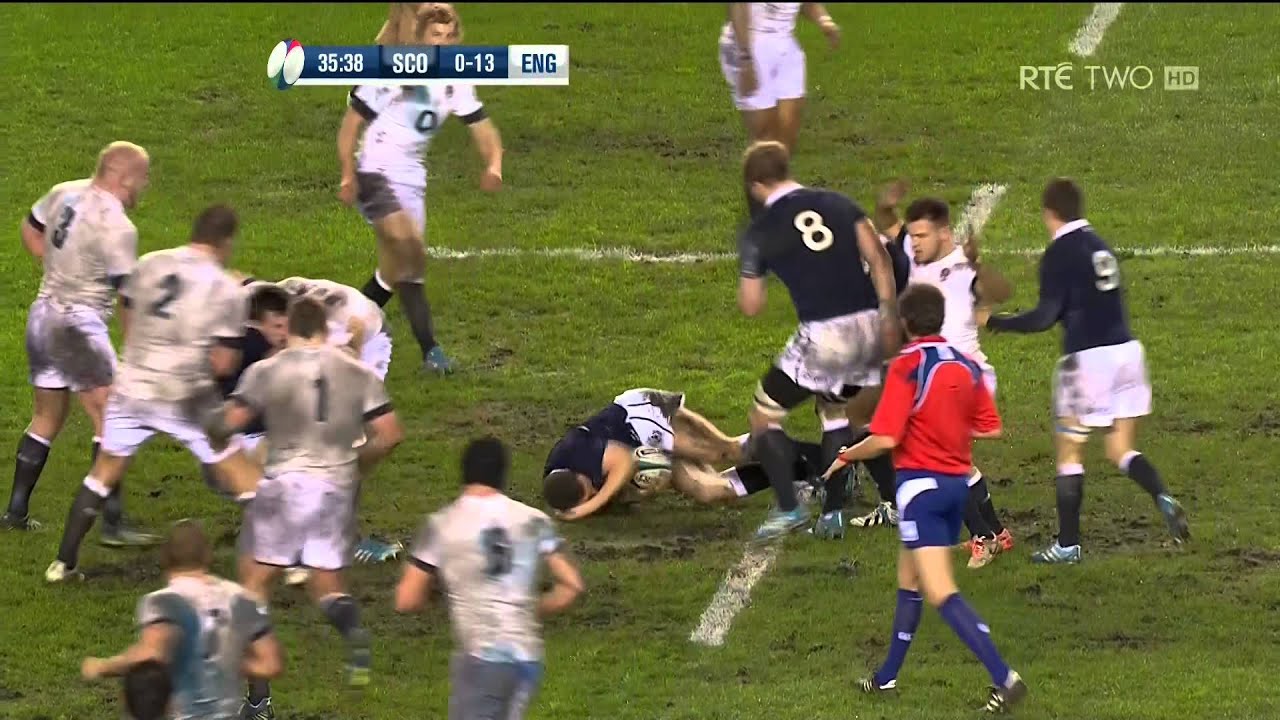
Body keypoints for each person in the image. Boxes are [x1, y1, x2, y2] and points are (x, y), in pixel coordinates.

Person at [824, 283, 1027, 713]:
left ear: (905, 323)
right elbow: (991, 426)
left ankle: (1005, 678)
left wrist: (846, 455)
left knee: (940, 591)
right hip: (956, 489)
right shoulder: (966, 365)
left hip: (922, 491)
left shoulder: (908, 365)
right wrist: (947, 425)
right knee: (910, 580)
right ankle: (887, 678)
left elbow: (885, 438)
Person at [204, 297, 404, 716]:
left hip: (284, 487)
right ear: (324, 330)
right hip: (334, 491)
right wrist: (357, 465)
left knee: (254, 588)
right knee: (326, 586)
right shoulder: (356, 371)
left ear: (291, 328)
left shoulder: (267, 370)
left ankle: (259, 701)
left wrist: (213, 430)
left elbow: (227, 425)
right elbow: (390, 435)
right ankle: (352, 632)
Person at [985, 178, 1189, 564]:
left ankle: (1068, 545)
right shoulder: (1101, 246)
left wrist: (997, 322)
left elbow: (1044, 317)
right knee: (1120, 449)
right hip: (1128, 355)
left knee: (1070, 452)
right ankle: (1161, 494)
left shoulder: (1058, 253)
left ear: (1049, 213)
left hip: (1088, 363)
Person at [46, 205, 250, 583]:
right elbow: (223, 364)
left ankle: (63, 564)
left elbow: (126, 305)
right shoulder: (225, 288)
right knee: (245, 477)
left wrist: (137, 349)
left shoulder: (149, 263)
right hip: (186, 395)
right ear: (226, 242)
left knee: (103, 473)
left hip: (132, 387)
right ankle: (285, 564)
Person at [735, 140, 900, 543]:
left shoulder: (760, 230)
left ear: (756, 185)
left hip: (826, 334)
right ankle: (833, 514)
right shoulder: (838, 203)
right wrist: (888, 313)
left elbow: (752, 305)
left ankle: (790, 508)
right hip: (869, 326)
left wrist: (755, 264)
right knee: (834, 412)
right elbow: (879, 259)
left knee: (764, 416)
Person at [339, 2, 504, 376]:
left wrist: (494, 164)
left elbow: (483, 129)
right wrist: (348, 174)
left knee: (400, 273)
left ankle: (348, 335)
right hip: (374, 171)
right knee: (408, 247)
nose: (441, 43)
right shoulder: (395, 69)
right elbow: (351, 125)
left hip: (412, 180)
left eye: (447, 36)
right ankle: (421, 348)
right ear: (420, 36)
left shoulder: (457, 81)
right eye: (434, 35)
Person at [4, 141, 154, 546]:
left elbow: (30, 230)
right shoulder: (117, 225)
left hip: (43, 314)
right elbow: (127, 296)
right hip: (76, 326)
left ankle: (15, 512)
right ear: (124, 177)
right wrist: (134, 349)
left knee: (46, 416)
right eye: (142, 177)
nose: (145, 185)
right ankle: (112, 523)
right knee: (114, 418)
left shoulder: (63, 191)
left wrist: (59, 272)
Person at [396, 437, 585, 720]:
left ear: (463, 472)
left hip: (484, 658)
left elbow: (407, 599)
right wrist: (529, 609)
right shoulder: (534, 520)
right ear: (502, 475)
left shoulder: (443, 524)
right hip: (527, 657)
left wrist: (443, 596)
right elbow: (572, 585)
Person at [879, 192, 1017, 568]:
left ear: (943, 233)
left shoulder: (963, 269)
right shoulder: (914, 252)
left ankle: (983, 538)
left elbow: (999, 293)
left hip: (962, 379)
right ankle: (997, 533)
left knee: (939, 461)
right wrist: (887, 206)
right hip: (937, 378)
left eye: (921, 236)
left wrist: (980, 268)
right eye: (913, 236)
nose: (914, 243)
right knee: (958, 462)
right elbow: (892, 229)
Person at [79, 519, 283, 719]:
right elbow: (270, 664)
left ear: (165, 557)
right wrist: (226, 664)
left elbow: (149, 655)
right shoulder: (240, 599)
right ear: (207, 556)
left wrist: (102, 667)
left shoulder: (164, 602)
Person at [538, 388, 746, 521]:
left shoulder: (575, 451)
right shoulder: (560, 485)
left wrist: (590, 506)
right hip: (645, 449)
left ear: (576, 473)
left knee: (722, 452)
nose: (594, 490)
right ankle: (760, 476)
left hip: (643, 417)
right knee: (706, 491)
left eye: (588, 487)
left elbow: (625, 461)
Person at [717, 3, 840, 158]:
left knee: (787, 135)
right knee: (765, 138)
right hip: (748, 43)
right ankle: (762, 173)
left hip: (785, 43)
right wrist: (745, 58)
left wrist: (823, 19)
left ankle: (776, 172)